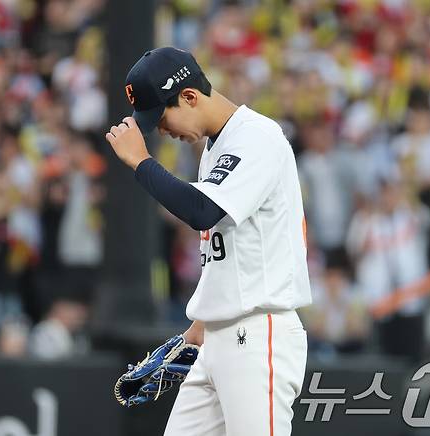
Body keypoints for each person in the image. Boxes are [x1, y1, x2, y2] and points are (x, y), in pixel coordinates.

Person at [105, 47, 311, 436]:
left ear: (189, 96)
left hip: (257, 334)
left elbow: (202, 210)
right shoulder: (217, 148)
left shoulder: (257, 137)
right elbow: (227, 251)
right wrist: (202, 324)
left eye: (161, 118)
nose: (161, 131)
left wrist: (142, 163)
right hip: (218, 337)